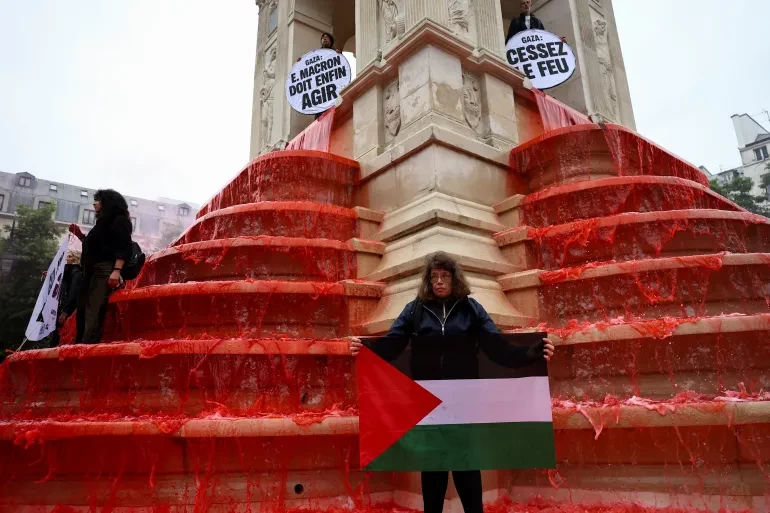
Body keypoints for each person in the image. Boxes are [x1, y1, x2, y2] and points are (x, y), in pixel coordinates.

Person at [349, 252, 555, 513]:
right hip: (426, 402)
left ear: (455, 279)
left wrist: (531, 353)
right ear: (427, 281)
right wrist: (366, 350)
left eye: (444, 276)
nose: (438, 282)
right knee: (433, 467)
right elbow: (393, 343)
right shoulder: (414, 310)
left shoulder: (472, 309)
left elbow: (496, 347)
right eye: (433, 277)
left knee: (466, 465)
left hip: (465, 402)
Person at [68, 189, 133, 344]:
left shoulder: (119, 220)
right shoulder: (102, 223)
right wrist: (80, 235)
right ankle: (81, 342)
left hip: (104, 269)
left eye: (98, 200)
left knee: (94, 307)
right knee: (83, 307)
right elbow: (96, 247)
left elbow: (124, 247)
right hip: (90, 269)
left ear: (107, 202)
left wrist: (116, 270)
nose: (94, 203)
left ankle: (87, 344)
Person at [51, 250, 83, 346]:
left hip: (69, 309)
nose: (66, 258)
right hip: (62, 306)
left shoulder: (76, 273)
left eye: (69, 256)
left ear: (75, 259)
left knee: (63, 334)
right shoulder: (67, 272)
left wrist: (65, 311)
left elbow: (72, 293)